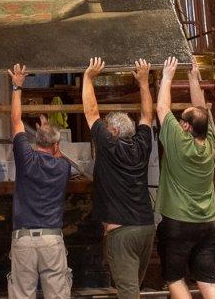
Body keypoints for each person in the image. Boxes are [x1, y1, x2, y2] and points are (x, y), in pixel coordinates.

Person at [83, 57, 156, 298]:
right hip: (146, 227)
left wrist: (88, 78)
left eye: (106, 127)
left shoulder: (109, 145)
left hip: (122, 232)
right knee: (133, 288)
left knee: (128, 293)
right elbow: (147, 115)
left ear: (113, 131)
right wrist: (143, 83)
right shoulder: (142, 143)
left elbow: (91, 112)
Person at [155, 57, 215, 299]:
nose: (179, 120)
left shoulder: (179, 143)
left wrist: (167, 77)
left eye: (182, 118)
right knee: (208, 281)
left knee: (175, 279)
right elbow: (201, 110)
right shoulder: (211, 143)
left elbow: (162, 109)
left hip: (178, 222)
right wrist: (194, 79)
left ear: (185, 127)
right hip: (208, 223)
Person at [7, 63, 72, 299]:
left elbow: (16, 120)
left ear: (36, 141)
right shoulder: (63, 167)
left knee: (22, 294)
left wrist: (17, 86)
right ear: (56, 145)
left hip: (23, 238)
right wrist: (51, 136)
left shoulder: (26, 159)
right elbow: (59, 154)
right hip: (51, 239)